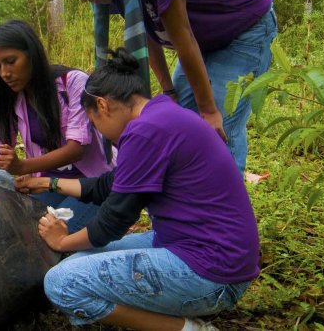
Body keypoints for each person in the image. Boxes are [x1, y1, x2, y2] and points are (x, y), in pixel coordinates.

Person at [16, 49, 260, 331]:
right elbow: (110, 185)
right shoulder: (161, 115)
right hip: (193, 248)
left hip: (212, 272)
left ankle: (188, 329)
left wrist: (61, 241)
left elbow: (112, 222)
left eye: (95, 124)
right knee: (79, 259)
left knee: (61, 283)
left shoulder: (144, 132)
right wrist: (48, 182)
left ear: (103, 106)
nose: (103, 135)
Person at [48, 0, 278, 172]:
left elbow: (184, 37)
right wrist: (168, 90)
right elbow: (147, 32)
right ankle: (191, 196)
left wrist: (209, 110)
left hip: (244, 30)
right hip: (202, 40)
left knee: (217, 129)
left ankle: (225, 206)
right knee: (182, 120)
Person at [0, 20, 114, 233]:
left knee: (49, 236)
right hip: (47, 184)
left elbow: (77, 148)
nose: (4, 73)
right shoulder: (9, 96)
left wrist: (22, 167)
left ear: (32, 54)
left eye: (11, 61)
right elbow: (1, 148)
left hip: (92, 185)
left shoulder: (72, 82)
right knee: (16, 227)